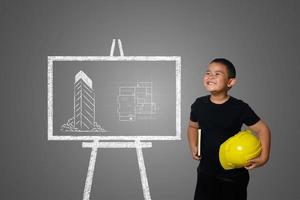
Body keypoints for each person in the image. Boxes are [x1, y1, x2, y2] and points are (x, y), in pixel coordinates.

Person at [187, 58, 271, 200]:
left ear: (230, 82)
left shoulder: (239, 108)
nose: (211, 76)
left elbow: (263, 129)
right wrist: (193, 145)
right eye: (208, 73)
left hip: (233, 176)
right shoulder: (198, 104)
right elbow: (192, 126)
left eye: (217, 74)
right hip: (205, 173)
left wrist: (264, 157)